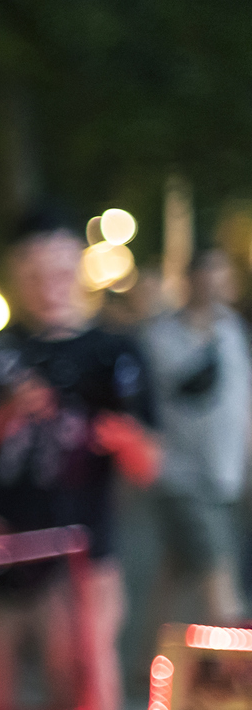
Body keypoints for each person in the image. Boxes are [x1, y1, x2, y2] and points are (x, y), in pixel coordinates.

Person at [0, 206, 159, 710]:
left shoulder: (115, 352)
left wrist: (118, 436)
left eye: (59, 272)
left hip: (81, 557)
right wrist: (7, 411)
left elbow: (150, 463)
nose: (48, 288)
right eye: (32, 275)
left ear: (80, 266)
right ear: (13, 277)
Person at [140, 249, 252, 623]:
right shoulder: (160, 336)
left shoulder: (232, 330)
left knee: (177, 567)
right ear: (192, 278)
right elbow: (176, 389)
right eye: (210, 273)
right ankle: (235, 670)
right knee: (220, 573)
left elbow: (242, 400)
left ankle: (149, 661)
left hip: (226, 475)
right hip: (182, 476)